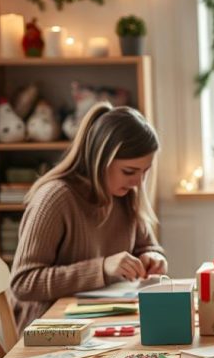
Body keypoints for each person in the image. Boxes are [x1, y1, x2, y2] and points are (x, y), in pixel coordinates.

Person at [11, 103, 166, 326]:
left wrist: (153, 258)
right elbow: (23, 283)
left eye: (145, 172)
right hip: (48, 328)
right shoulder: (55, 198)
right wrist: (101, 268)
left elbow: (147, 247)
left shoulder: (125, 195)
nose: (138, 183)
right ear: (101, 160)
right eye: (129, 171)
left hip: (99, 320)